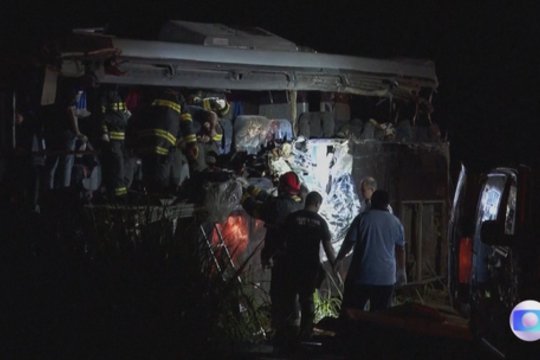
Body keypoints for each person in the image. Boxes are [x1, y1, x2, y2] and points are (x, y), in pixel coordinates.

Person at [241, 171, 304, 346]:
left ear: (283, 187)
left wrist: (241, 195)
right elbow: (270, 199)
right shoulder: (297, 203)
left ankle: (282, 335)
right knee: (292, 296)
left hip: (282, 258)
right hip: (296, 257)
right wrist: (250, 187)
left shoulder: (279, 206)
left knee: (279, 294)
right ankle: (293, 333)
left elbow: (257, 209)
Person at [280, 191, 336, 346]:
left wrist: (271, 255)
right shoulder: (320, 221)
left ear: (306, 201)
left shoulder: (293, 218)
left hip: (291, 264)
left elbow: (281, 240)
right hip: (310, 267)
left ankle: (288, 332)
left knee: (290, 297)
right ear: (317, 204)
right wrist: (334, 264)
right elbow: (328, 246)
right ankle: (305, 333)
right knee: (307, 299)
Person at [337, 190, 406, 313]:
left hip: (361, 276)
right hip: (386, 278)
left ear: (372, 201)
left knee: (352, 313)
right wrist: (402, 271)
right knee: (379, 318)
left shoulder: (362, 219)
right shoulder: (395, 222)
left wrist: (338, 259)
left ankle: (351, 332)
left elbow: (348, 243)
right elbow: (400, 249)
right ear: (387, 203)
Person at [135, 88, 197, 194]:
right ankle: (159, 196)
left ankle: (150, 194)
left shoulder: (148, 93)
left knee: (148, 169)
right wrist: (192, 143)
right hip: (164, 140)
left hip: (145, 138)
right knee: (161, 173)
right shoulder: (178, 98)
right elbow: (186, 121)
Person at [99, 88, 131, 199]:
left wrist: (127, 114)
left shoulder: (120, 97)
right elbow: (101, 117)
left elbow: (124, 114)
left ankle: (122, 191)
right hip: (113, 139)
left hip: (122, 139)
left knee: (125, 165)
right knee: (118, 165)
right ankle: (118, 194)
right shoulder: (106, 96)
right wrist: (104, 132)